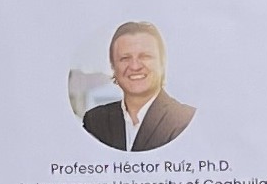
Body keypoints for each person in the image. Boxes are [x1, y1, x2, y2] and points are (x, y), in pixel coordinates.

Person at [81, 21, 194, 152]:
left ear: (162, 63)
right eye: (125, 58)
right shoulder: (95, 122)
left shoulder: (185, 120)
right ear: (113, 67)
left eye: (145, 56)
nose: (135, 66)